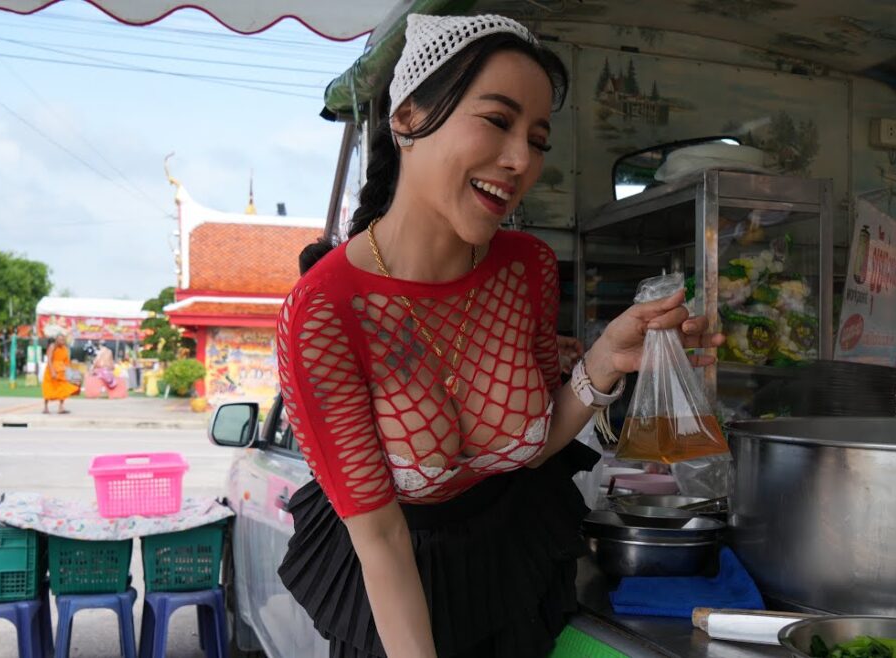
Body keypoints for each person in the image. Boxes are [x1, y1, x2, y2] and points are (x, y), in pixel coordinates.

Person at [276, 14, 722, 658]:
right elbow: (381, 539)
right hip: (399, 599)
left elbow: (529, 450)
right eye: (496, 120)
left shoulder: (527, 269)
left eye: (537, 140)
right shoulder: (325, 310)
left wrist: (605, 359)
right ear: (406, 118)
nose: (520, 162)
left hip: (516, 574)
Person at [42, 334, 80, 414]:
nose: (62, 341)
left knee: (63, 388)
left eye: (63, 340)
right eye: (60, 339)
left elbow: (67, 362)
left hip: (62, 371)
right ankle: (45, 407)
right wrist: (52, 371)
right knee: (49, 388)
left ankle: (61, 407)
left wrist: (70, 374)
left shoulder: (65, 349)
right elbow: (49, 360)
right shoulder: (52, 346)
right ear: (56, 340)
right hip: (51, 370)